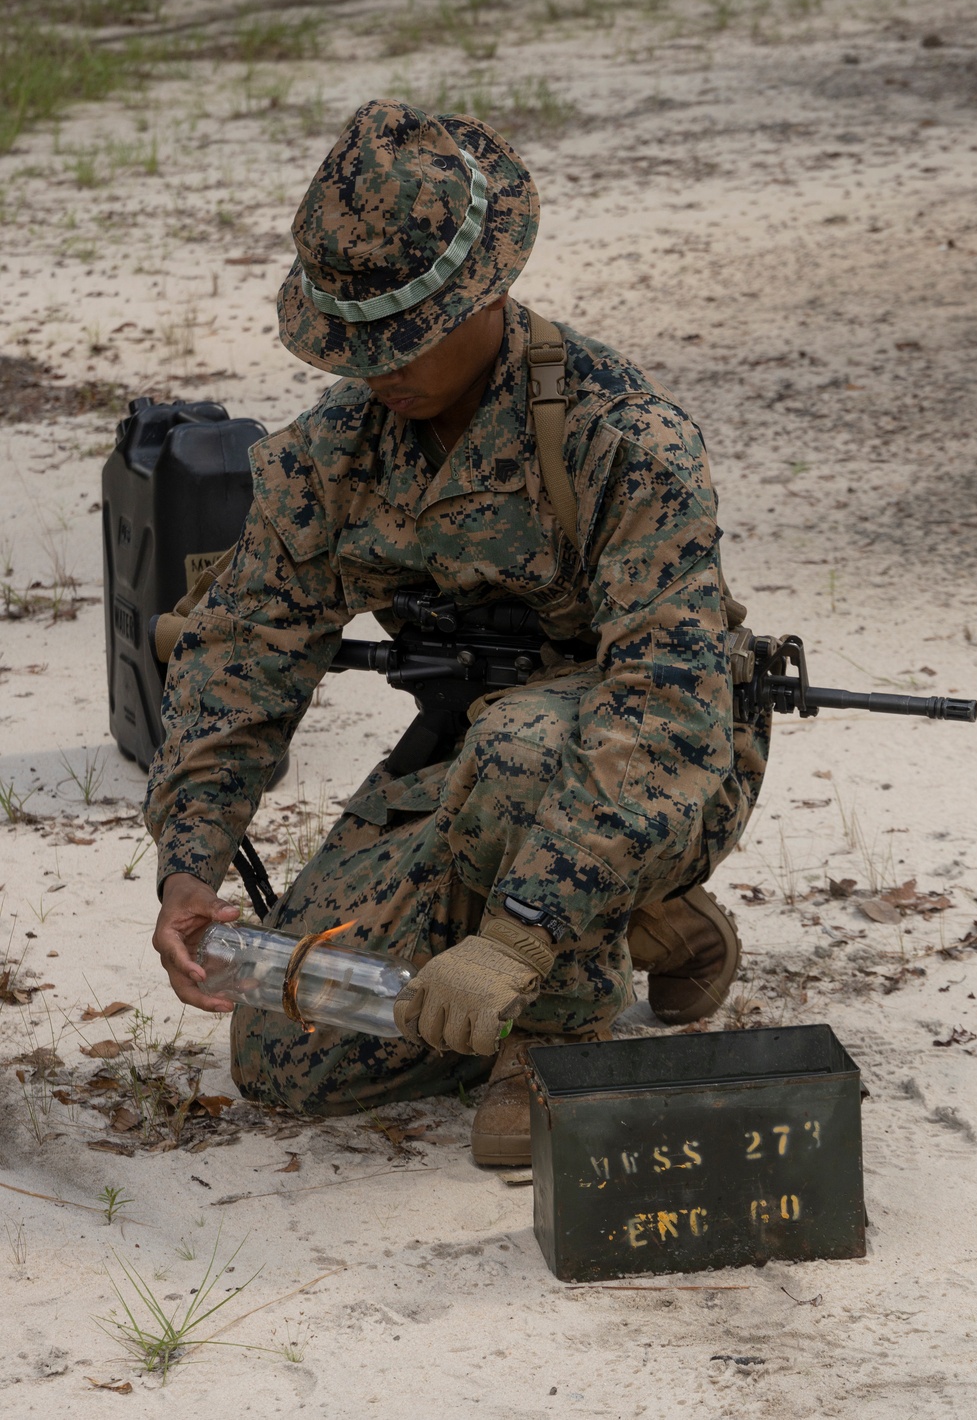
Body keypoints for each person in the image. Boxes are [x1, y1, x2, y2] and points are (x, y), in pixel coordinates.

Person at [145, 99, 770, 1167]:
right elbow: (243, 647)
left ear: (487, 289)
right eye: (355, 337)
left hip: (663, 770)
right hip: (474, 765)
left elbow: (668, 709)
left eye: (405, 334)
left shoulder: (620, 438)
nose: (378, 365)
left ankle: (558, 1035)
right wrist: (190, 862)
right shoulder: (333, 455)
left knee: (523, 743)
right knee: (284, 1059)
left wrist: (517, 938)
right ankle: (650, 922)